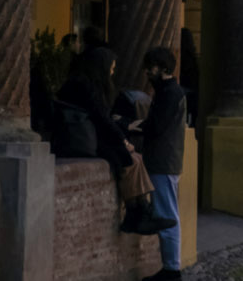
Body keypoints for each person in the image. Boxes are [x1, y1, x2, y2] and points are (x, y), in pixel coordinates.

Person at [54, 47, 158, 234]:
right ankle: (136, 211)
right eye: (111, 68)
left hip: (89, 136)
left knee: (137, 159)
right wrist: (123, 141)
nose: (112, 72)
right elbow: (102, 119)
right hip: (83, 140)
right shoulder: (85, 87)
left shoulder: (83, 84)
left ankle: (142, 208)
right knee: (131, 159)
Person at [139, 47, 186, 280]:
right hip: (164, 159)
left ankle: (172, 270)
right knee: (166, 212)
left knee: (167, 215)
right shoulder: (167, 91)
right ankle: (170, 268)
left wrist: (133, 125)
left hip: (164, 161)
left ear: (163, 68)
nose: (147, 72)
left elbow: (157, 126)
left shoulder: (170, 93)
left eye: (152, 67)